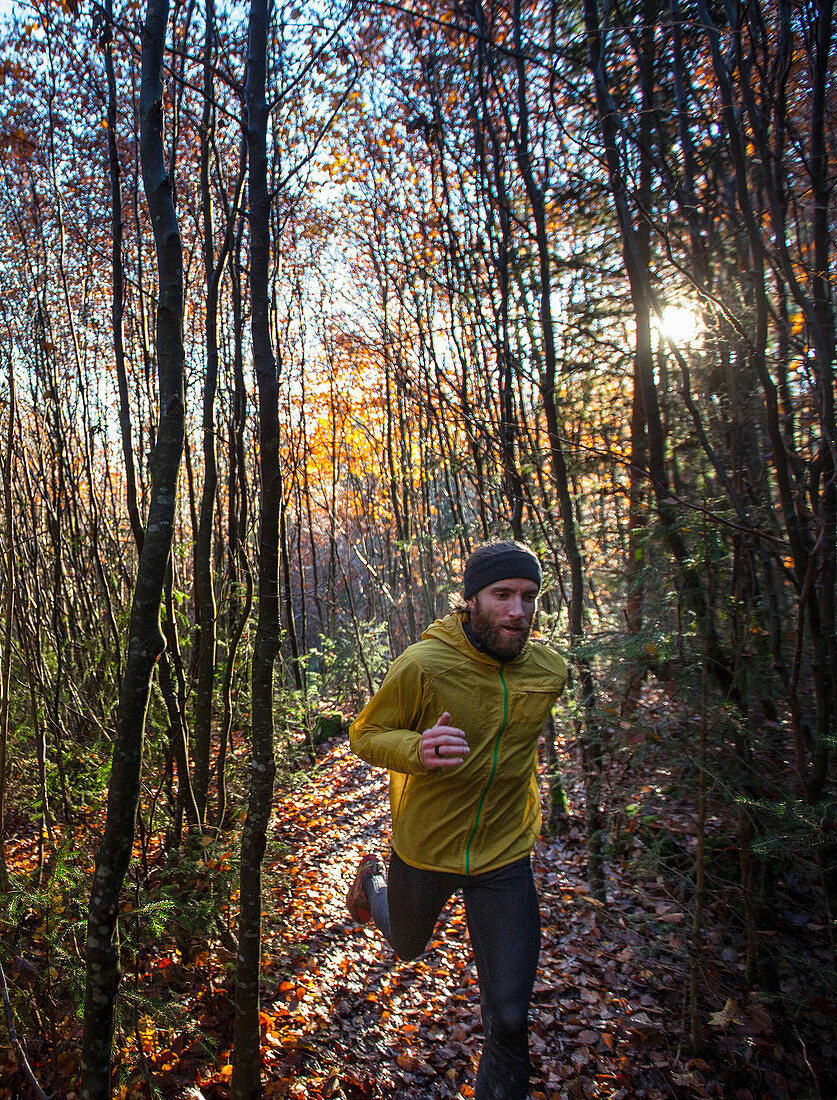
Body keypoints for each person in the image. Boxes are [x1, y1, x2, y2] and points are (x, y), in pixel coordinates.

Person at [346, 540, 567, 1100]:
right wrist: (416, 747)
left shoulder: (549, 672)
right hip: (426, 851)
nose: (518, 611)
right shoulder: (423, 665)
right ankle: (373, 889)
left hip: (504, 856)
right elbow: (365, 735)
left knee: (511, 1020)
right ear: (470, 600)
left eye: (528, 596)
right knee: (407, 946)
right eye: (502, 595)